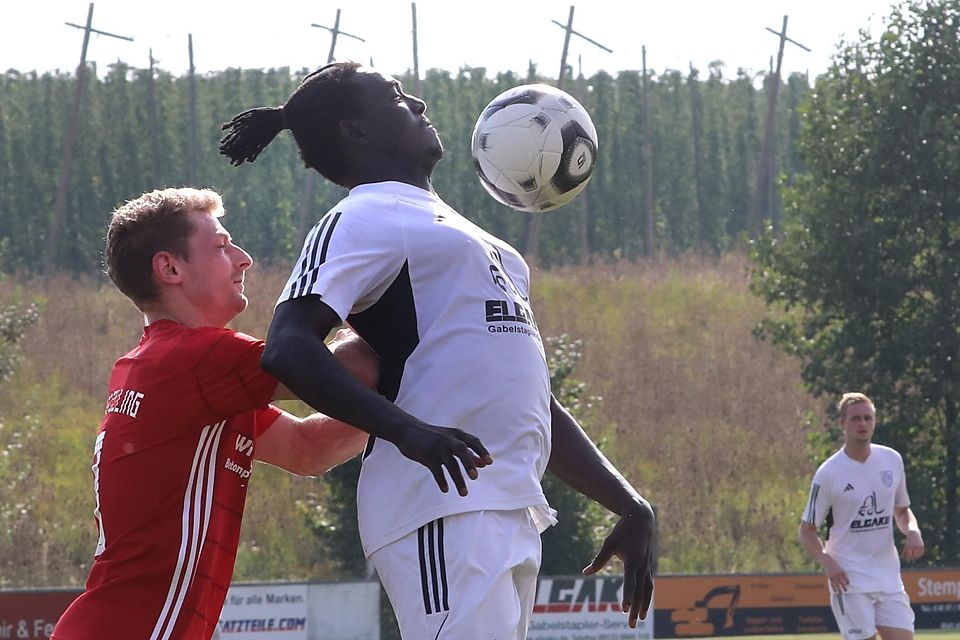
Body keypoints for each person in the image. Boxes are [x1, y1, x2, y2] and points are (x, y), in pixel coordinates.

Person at [219, 61, 656, 638]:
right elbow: (289, 347)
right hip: (438, 506)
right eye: (396, 98)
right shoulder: (360, 216)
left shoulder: (488, 245)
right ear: (356, 131)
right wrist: (408, 431)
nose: (418, 103)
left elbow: (532, 402)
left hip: (509, 507)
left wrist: (628, 503)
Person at [52, 187, 489, 640]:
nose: (244, 258)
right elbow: (355, 371)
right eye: (222, 246)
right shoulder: (195, 359)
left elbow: (308, 449)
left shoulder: (170, 368)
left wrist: (388, 396)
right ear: (169, 268)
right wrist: (418, 311)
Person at [799, 392, 925, 640]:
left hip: (888, 577)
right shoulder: (829, 473)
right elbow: (806, 530)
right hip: (850, 579)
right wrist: (827, 562)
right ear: (842, 424)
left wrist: (912, 530)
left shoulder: (891, 460)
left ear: (875, 422)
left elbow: (901, 510)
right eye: (856, 418)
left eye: (868, 418)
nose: (862, 424)